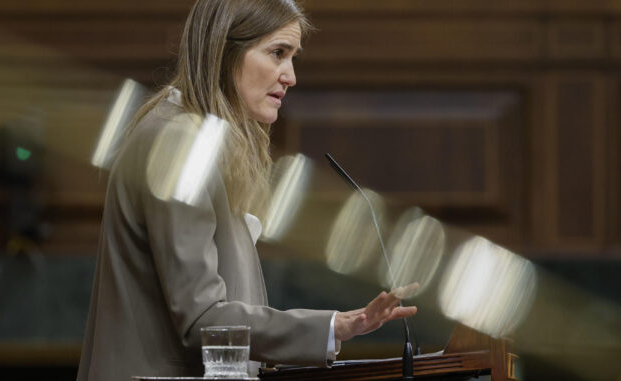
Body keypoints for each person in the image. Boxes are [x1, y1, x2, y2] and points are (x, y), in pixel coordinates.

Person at [76, 0, 417, 380]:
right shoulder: (179, 144)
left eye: (292, 58)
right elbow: (203, 319)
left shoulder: (193, 138)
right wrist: (334, 326)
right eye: (277, 53)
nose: (290, 76)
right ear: (224, 51)